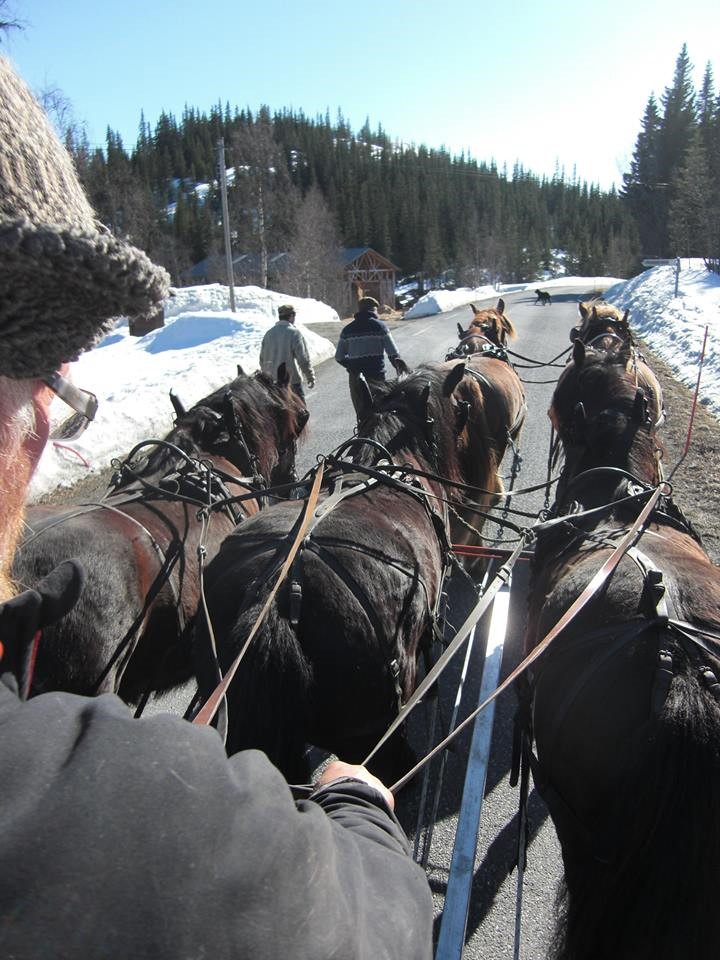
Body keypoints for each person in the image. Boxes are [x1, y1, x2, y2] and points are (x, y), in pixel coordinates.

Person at [0, 55, 433, 959]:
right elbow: (370, 921)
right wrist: (356, 803)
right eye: (45, 382)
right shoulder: (129, 818)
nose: (49, 412)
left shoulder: (287, 339)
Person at [335, 296, 408, 419]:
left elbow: (339, 357)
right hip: (376, 377)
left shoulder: (347, 330)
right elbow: (393, 354)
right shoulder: (380, 327)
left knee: (362, 414)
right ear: (373, 309)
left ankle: (363, 434)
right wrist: (402, 372)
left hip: (356, 378)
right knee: (379, 413)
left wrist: (353, 366)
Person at [259, 302, 315, 399]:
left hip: (272, 384)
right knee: (301, 412)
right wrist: (310, 376)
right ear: (291, 316)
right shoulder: (294, 333)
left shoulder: (268, 334)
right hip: (291, 382)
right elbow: (303, 358)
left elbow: (262, 360)